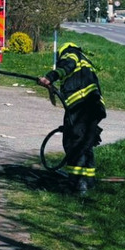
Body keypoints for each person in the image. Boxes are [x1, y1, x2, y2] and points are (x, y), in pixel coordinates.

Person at [38, 42, 107, 194]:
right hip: (94, 107)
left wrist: (50, 77)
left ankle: (76, 184)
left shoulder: (70, 55)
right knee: (86, 144)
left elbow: (65, 67)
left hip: (80, 106)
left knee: (74, 144)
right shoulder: (85, 61)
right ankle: (88, 182)